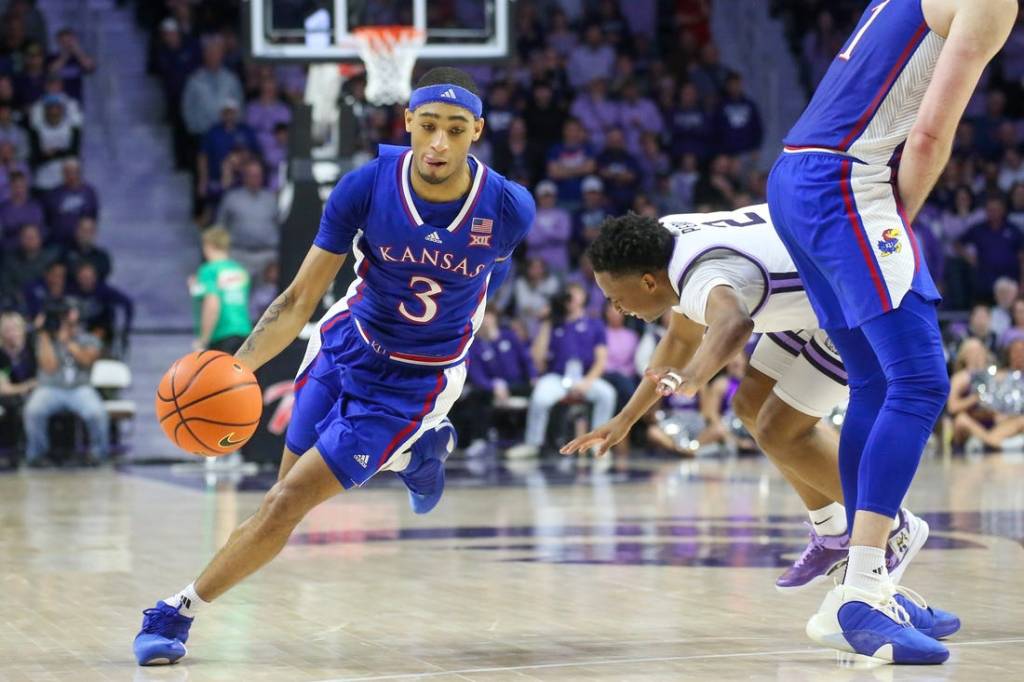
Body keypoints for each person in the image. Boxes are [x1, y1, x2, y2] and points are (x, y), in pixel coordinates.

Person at [132, 67, 535, 666]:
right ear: (408, 122)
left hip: (414, 382)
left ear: (476, 129)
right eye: (428, 126)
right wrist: (235, 370)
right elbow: (298, 300)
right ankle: (415, 453)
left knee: (283, 505)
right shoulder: (366, 186)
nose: (439, 144)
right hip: (345, 345)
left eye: (455, 129)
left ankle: (174, 612)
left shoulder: (507, 207)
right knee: (280, 496)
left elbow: (486, 282)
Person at [765, 0, 1015, 663]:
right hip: (845, 183)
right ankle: (863, 594)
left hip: (797, 173)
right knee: (921, 380)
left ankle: (858, 580)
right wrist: (894, 221)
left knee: (874, 381)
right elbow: (930, 134)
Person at [562, 207, 959, 613]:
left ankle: (894, 527)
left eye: (614, 297)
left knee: (779, 429)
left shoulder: (700, 277)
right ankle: (832, 531)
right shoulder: (661, 245)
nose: (615, 307)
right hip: (803, 288)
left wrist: (696, 377)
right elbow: (680, 342)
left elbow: (734, 323)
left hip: (846, 297)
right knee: (748, 404)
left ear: (647, 282)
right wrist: (625, 418)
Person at [506, 282, 617, 459]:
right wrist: (546, 321)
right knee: (540, 397)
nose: (571, 298)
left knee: (607, 393)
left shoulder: (594, 324)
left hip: (585, 377)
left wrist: (587, 382)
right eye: (568, 294)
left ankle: (598, 443)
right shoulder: (554, 323)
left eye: (576, 293)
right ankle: (532, 444)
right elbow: (537, 359)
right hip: (557, 377)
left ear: (584, 297)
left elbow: (601, 360)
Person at [22, 299, 108, 467]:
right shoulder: (44, 339)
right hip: (50, 388)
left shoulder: (87, 338)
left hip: (80, 388)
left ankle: (98, 454)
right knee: (33, 411)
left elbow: (87, 360)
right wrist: (44, 334)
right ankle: (37, 455)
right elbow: (49, 368)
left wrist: (67, 342)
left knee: (97, 413)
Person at [189, 227, 252, 354]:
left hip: (221, 334)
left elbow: (212, 303)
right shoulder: (240, 271)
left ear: (208, 246)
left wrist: (203, 340)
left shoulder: (209, 270)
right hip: (245, 334)